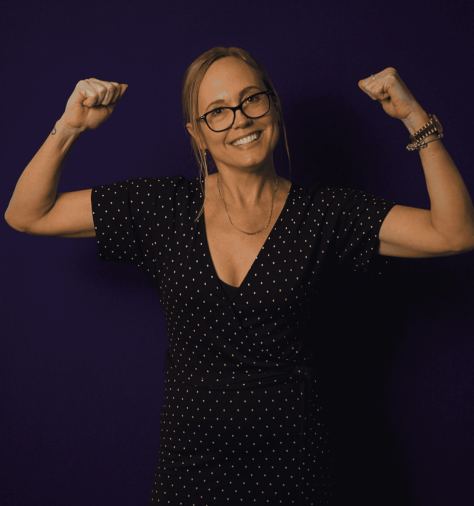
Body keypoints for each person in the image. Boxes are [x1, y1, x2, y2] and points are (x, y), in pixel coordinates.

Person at [5, 46, 474, 505]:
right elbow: (27, 214)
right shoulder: (162, 208)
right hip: (191, 470)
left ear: (273, 105)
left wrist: (415, 120)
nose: (240, 119)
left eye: (251, 99)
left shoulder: (325, 214)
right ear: (197, 134)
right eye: (218, 111)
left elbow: (454, 233)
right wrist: (69, 127)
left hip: (295, 468)